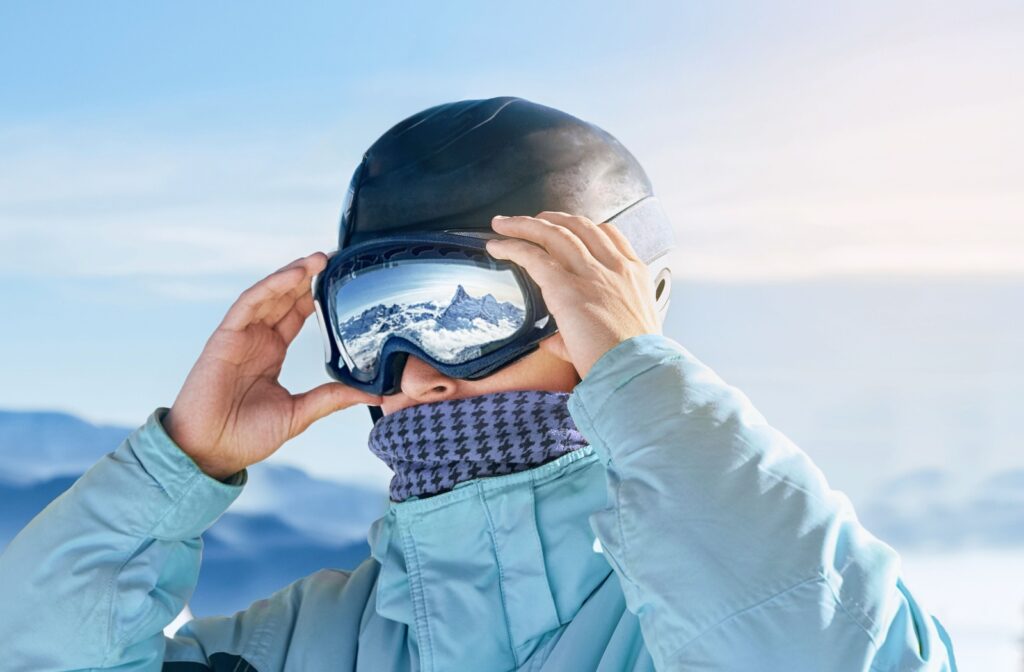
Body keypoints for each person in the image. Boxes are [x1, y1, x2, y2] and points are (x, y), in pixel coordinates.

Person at [0, 97, 957, 671]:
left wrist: (647, 389)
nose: (413, 371)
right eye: (373, 321)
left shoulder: (705, 610)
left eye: (468, 311)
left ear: (612, 312)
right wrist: (179, 465)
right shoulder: (306, 642)